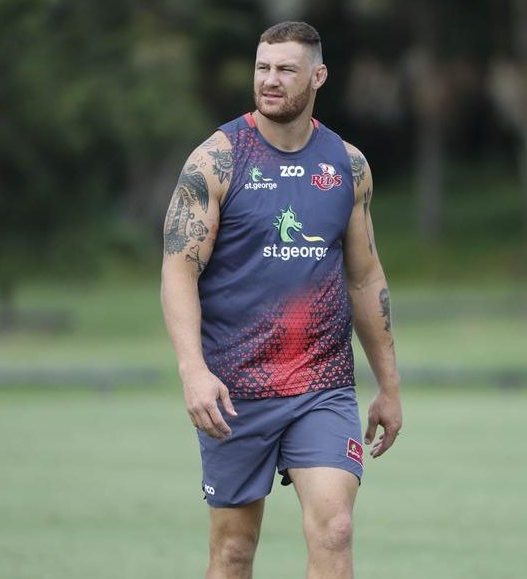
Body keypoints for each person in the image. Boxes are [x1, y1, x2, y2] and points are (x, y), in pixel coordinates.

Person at [161, 20, 402, 579]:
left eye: (285, 70)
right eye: (262, 68)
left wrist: (389, 386)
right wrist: (193, 372)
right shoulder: (217, 160)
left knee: (335, 529)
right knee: (234, 552)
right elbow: (178, 271)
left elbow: (365, 279)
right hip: (234, 391)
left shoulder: (347, 165)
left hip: (322, 385)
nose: (270, 80)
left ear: (318, 77)